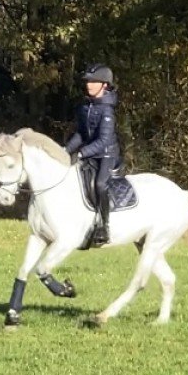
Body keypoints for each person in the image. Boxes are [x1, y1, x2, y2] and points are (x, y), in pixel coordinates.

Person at [64, 63, 121, 245]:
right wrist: (65, 150)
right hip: (90, 153)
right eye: (88, 81)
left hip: (106, 155)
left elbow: (104, 140)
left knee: (100, 184)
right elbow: (81, 134)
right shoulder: (85, 107)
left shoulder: (107, 111)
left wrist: (81, 153)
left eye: (94, 82)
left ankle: (104, 226)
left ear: (104, 85)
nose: (89, 85)